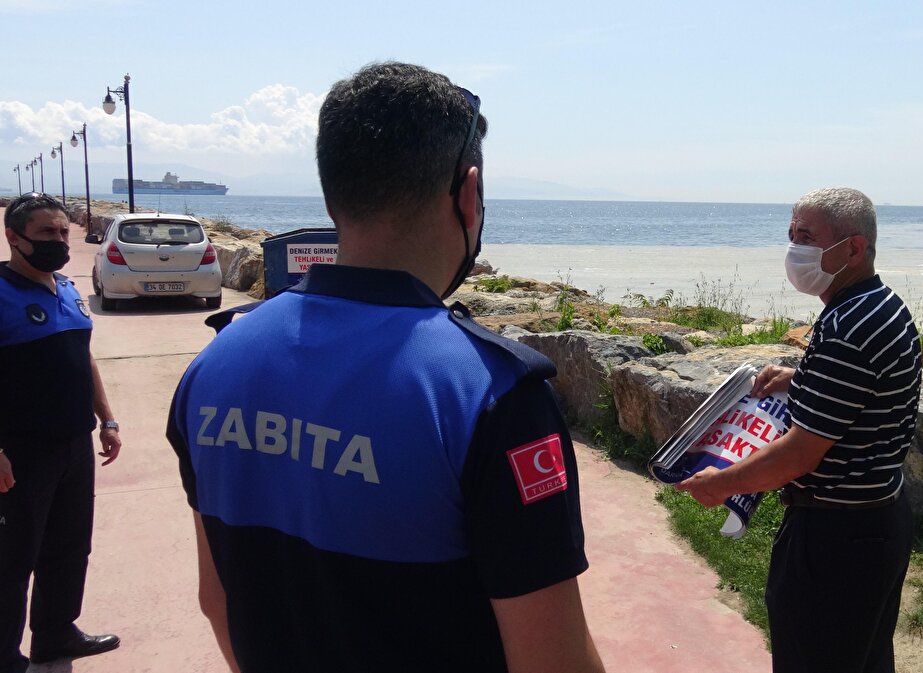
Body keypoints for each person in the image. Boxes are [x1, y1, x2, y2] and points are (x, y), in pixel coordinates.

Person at [167, 62, 606, 673]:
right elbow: (551, 660)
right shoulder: (490, 394)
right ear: (469, 193)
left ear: (333, 192)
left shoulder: (215, 364)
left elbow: (218, 602)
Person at [677, 187, 920, 673]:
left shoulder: (847, 329)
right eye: (791, 235)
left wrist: (721, 483)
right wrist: (801, 377)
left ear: (853, 248)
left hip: (835, 540)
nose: (794, 248)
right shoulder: (877, 305)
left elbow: (799, 455)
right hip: (875, 523)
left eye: (807, 237)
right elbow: (866, 390)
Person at [0, 193, 122, 673]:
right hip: (20, 452)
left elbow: (83, 356)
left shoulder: (66, 288)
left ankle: (55, 635)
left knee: (70, 545)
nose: (58, 242)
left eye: (63, 233)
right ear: (14, 237)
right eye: (46, 233)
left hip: (73, 443)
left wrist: (107, 419)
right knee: (12, 560)